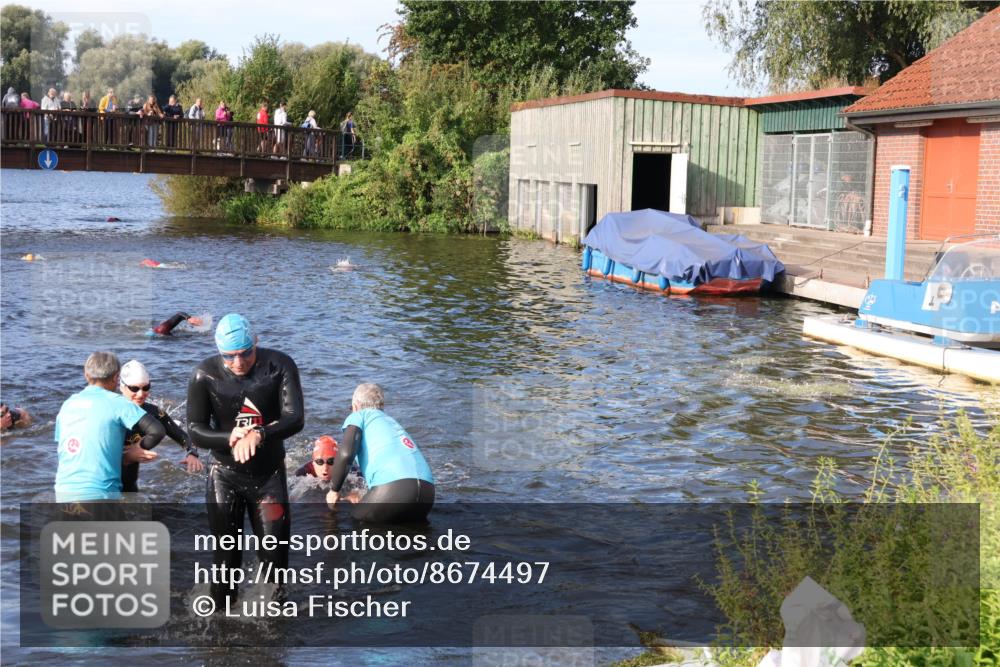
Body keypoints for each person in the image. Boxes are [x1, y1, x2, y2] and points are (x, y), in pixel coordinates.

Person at [187, 313, 304, 606]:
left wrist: (260, 434)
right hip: (224, 476)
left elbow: (295, 418)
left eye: (245, 353)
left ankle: (275, 631)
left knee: (275, 563)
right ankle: (219, 632)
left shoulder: (279, 366)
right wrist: (231, 437)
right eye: (228, 356)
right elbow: (196, 430)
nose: (238, 363)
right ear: (218, 351)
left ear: (256, 342)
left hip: (269, 477)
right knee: (226, 563)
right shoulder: (204, 375)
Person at [54, 352, 164, 502]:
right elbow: (157, 430)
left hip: (63, 494)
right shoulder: (119, 403)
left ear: (86, 375)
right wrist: (131, 453)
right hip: (102, 494)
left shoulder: (67, 405)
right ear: (116, 378)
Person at [328, 383, 435, 523]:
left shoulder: (359, 415)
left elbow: (346, 453)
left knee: (357, 522)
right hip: (427, 493)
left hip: (395, 489)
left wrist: (334, 491)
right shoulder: (391, 422)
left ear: (355, 406)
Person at [119, 360, 202, 492]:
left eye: (145, 387)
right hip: (105, 486)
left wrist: (192, 453)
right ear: (122, 387)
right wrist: (125, 456)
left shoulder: (154, 413)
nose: (141, 394)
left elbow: (183, 436)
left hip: (130, 486)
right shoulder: (109, 412)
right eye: (134, 389)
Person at [296, 435, 363, 505]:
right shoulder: (305, 472)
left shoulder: (346, 468)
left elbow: (361, 478)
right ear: (313, 463)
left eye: (331, 461)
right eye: (319, 462)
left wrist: (356, 492)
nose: (325, 468)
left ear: (339, 462)